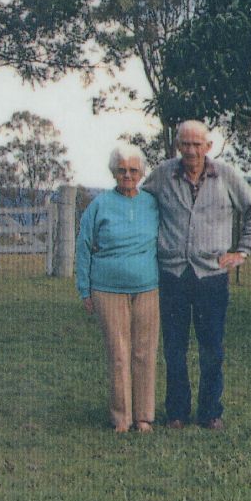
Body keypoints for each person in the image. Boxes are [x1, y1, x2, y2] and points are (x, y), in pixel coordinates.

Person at [141, 120, 251, 431]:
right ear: (177, 146)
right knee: (174, 348)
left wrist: (242, 251)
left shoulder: (225, 175)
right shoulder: (162, 175)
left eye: (198, 144)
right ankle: (177, 413)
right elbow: (141, 204)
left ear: (208, 147)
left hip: (212, 276)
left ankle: (210, 412)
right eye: (185, 144)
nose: (191, 150)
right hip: (172, 274)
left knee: (212, 348)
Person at [75, 144, 160, 433]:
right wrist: (84, 290)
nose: (127, 175)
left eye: (133, 170)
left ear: (142, 173)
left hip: (148, 288)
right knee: (119, 354)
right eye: (122, 170)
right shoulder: (99, 205)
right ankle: (121, 418)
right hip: (107, 289)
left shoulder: (151, 203)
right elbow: (83, 246)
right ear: (114, 172)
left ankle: (144, 416)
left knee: (144, 352)